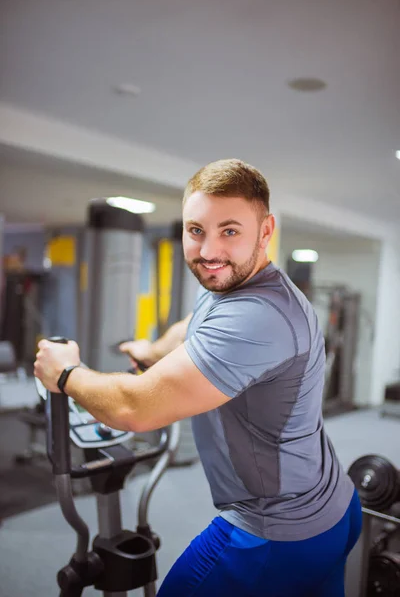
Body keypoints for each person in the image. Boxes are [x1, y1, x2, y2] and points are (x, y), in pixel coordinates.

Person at [34, 159, 362, 597]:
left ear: (266, 231)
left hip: (275, 532)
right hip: (335, 507)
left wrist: (65, 372)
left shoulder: (256, 316)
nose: (209, 251)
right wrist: (152, 352)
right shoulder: (240, 287)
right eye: (196, 231)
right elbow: (193, 325)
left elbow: (135, 409)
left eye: (230, 231)